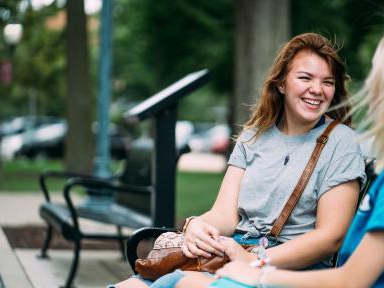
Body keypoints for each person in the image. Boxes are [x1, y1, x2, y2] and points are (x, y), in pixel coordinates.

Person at [180, 20, 384, 288]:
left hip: (294, 271)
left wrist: (258, 271)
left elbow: (350, 279)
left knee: (185, 285)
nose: (371, 83)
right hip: (264, 260)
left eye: (378, 72)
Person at [112, 32, 366, 288]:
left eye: (327, 82)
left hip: (288, 269)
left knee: (180, 283)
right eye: (305, 77)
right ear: (281, 83)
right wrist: (196, 226)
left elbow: (330, 237)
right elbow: (225, 214)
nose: (317, 89)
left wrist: (255, 259)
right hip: (231, 253)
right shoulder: (254, 135)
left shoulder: (341, 142)